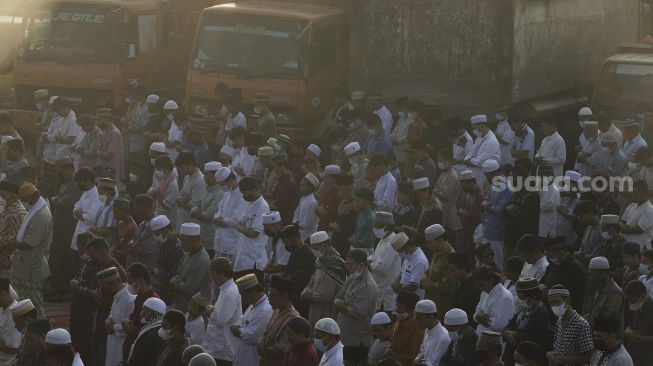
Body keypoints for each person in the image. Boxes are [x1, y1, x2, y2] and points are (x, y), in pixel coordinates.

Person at [12, 183, 52, 317]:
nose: (24, 203)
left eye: (25, 200)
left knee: (34, 305)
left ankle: (42, 332)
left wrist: (13, 244)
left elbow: (30, 244)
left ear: (33, 197)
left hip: (31, 267)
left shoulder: (40, 215)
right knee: (23, 303)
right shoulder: (36, 210)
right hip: (26, 264)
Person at [335, 249, 378, 364]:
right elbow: (337, 297)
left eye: (350, 264)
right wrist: (345, 305)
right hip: (345, 337)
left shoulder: (368, 286)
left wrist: (342, 306)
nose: (347, 267)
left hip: (358, 341)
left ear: (362, 265)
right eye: (346, 264)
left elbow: (358, 313)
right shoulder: (352, 278)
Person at [202, 257, 242, 365]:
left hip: (222, 349)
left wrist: (208, 309)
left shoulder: (229, 293)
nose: (212, 278)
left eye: (213, 274)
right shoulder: (226, 290)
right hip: (218, 347)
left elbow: (220, 319)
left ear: (222, 273)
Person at [502, 278, 550, 366]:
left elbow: (527, 339)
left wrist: (512, 335)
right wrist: (506, 332)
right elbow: (510, 324)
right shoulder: (525, 309)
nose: (521, 301)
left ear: (533, 296)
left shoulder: (541, 315)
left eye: (522, 298)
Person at [301, 231, 346, 326]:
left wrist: (307, 294)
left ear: (324, 246)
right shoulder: (320, 261)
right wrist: (306, 291)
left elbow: (325, 296)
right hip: (315, 307)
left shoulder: (335, 264)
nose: (314, 252)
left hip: (327, 310)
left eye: (315, 248)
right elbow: (312, 280)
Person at [546, 285, 594, 365]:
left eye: (557, 302)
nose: (554, 306)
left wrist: (563, 360)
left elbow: (588, 358)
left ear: (567, 300)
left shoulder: (581, 325)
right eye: (551, 303)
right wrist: (550, 355)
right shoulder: (559, 321)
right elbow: (557, 350)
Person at [231, 274, 273, 366]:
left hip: (252, 360)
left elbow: (252, 337)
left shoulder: (265, 310)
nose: (242, 298)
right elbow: (241, 320)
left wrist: (237, 330)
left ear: (253, 292)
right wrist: (238, 328)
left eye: (243, 295)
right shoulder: (253, 305)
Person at [257, 275, 299, 366]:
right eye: (268, 293)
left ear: (285, 295)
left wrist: (262, 348)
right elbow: (265, 334)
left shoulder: (293, 319)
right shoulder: (276, 310)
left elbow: (282, 350)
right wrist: (263, 343)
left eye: (272, 295)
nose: (268, 297)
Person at [97, 266, 135, 366]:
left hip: (121, 346)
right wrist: (108, 320)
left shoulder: (130, 299)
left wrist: (113, 327)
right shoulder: (117, 295)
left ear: (113, 284)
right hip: (112, 344)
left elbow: (130, 326)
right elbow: (113, 313)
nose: (104, 291)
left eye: (105, 287)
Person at [122, 262, 160, 359]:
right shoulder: (139, 296)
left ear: (141, 281)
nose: (128, 285)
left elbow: (148, 329)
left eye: (130, 282)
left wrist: (133, 328)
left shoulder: (153, 302)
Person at [480, 159, 513, 271]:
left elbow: (500, 209)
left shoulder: (505, 186)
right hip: (489, 228)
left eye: (487, 175)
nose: (486, 178)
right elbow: (486, 199)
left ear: (493, 173)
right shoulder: (495, 183)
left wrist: (487, 207)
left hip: (498, 231)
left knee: (498, 263)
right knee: (487, 263)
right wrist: (486, 206)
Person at [170, 223, 210, 312]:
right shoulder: (188, 253)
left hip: (192, 308)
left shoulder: (201, 260)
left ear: (195, 239)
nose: (181, 243)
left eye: (184, 240)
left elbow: (189, 288)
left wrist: (174, 283)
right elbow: (179, 273)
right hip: (181, 302)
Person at [233, 176, 270, 271]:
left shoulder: (263, 206)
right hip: (244, 251)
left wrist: (242, 228)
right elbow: (240, 221)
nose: (243, 196)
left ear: (253, 190)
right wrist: (243, 228)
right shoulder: (251, 203)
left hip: (254, 257)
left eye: (245, 193)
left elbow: (253, 233)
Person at [541, 236, 587, 311]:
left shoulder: (575, 269)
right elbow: (544, 281)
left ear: (561, 251)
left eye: (549, 256)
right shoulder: (553, 264)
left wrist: (549, 292)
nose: (548, 259)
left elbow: (573, 296)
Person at [279, 225, 316, 316]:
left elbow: (304, 277)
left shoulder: (308, 255)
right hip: (293, 296)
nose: (286, 245)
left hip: (302, 299)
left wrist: (285, 279)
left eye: (286, 242)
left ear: (294, 239)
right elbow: (289, 270)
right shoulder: (294, 251)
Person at [368, 212, 401, 311]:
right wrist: (369, 260)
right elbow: (375, 256)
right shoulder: (383, 240)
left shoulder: (392, 243)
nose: (375, 228)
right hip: (378, 289)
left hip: (386, 294)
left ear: (387, 227)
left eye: (378, 226)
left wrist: (368, 265)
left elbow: (382, 268)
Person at [212, 167, 246, 262]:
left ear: (230, 180)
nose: (222, 187)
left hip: (232, 241)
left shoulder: (242, 195)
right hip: (221, 239)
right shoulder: (227, 194)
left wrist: (221, 221)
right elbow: (219, 211)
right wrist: (217, 218)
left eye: (222, 184)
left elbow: (237, 220)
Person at [421, 224, 456, 315]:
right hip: (431, 304)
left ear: (440, 240)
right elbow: (429, 271)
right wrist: (425, 276)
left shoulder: (451, 258)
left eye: (430, 242)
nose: (428, 246)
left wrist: (427, 284)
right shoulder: (436, 253)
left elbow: (448, 287)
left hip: (441, 308)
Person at [190, 162, 224, 252]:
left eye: (206, 174)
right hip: (203, 234)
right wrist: (195, 210)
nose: (204, 177)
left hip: (212, 236)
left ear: (215, 176)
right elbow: (196, 204)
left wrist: (196, 212)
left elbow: (208, 215)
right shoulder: (207, 189)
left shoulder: (219, 193)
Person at [584, 257, 625, 328]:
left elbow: (608, 323)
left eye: (594, 274)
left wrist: (587, 321)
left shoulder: (615, 292)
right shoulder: (600, 287)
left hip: (607, 336)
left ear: (604, 272)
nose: (592, 278)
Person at [472, 265, 514, 334]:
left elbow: (499, 325)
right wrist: (477, 316)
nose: (480, 288)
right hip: (480, 335)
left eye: (481, 285)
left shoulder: (505, 297)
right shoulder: (484, 292)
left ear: (491, 280)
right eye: (478, 285)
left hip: (493, 341)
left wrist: (479, 318)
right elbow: (477, 312)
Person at [125, 298, 167, 366]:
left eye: (144, 310)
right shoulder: (153, 327)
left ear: (153, 314)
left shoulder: (152, 333)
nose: (141, 313)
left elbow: (140, 359)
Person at [151, 215, 183, 304]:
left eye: (157, 234)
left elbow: (172, 274)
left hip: (168, 291)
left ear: (166, 231)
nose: (156, 237)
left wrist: (157, 272)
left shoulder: (176, 247)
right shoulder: (166, 243)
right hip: (161, 287)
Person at [463, 115, 500, 185]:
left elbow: (481, 161)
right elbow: (471, 152)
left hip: (483, 176)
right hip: (473, 174)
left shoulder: (491, 141)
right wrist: (467, 159)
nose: (473, 131)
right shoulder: (479, 138)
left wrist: (468, 161)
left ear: (482, 126)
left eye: (474, 128)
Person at [71, 167, 101, 253]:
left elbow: (91, 217)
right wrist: (81, 214)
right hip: (79, 232)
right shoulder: (86, 192)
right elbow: (76, 207)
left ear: (89, 181)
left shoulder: (96, 195)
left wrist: (81, 214)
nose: (80, 184)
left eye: (81, 181)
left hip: (88, 236)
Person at [623, 280, 653, 364]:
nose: (630, 304)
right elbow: (630, 325)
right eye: (628, 301)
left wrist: (641, 338)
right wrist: (628, 331)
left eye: (632, 301)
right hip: (631, 355)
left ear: (643, 297)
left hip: (647, 359)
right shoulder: (636, 307)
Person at [391, 232, 428, 299]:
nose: (399, 254)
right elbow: (401, 274)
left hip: (411, 302)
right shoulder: (408, 256)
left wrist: (397, 289)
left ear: (407, 246)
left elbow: (412, 287)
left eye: (399, 251)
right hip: (401, 298)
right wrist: (394, 282)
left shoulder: (420, 261)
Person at [126, 194, 160, 269]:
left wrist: (131, 248)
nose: (134, 212)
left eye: (136, 209)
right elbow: (134, 239)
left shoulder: (155, 225)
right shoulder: (143, 222)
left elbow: (145, 251)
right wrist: (131, 243)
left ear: (146, 208)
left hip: (145, 270)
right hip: (135, 268)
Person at [413, 299, 450, 366]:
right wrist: (417, 359)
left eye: (419, 319)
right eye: (416, 318)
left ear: (431, 317)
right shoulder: (427, 329)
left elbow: (435, 363)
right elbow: (423, 350)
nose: (417, 322)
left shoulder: (443, 337)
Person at [176, 152, 207, 232]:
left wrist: (181, 200)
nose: (181, 171)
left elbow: (194, 206)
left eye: (182, 168)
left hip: (191, 220)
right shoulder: (187, 178)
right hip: (182, 217)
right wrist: (181, 200)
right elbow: (179, 196)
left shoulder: (200, 181)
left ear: (190, 165)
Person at [0, 182, 25, 278]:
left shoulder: (18, 212)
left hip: (7, 260)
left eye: (2, 193)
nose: (1, 195)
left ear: (11, 195)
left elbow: (16, 240)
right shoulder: (8, 209)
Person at [620, 180, 653, 250]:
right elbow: (622, 222)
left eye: (635, 194)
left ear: (644, 193)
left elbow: (638, 230)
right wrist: (620, 226)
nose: (632, 196)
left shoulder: (650, 209)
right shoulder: (631, 206)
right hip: (626, 248)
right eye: (632, 194)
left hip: (640, 251)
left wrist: (619, 227)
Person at [269, 153, 301, 225]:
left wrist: (272, 204)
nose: (274, 170)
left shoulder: (289, 182)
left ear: (282, 165)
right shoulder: (283, 180)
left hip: (285, 220)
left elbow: (281, 204)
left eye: (275, 167)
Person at [149, 155, 179, 228]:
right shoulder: (164, 179)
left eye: (160, 169)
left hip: (168, 219)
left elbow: (167, 205)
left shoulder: (173, 185)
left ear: (167, 168)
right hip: (160, 215)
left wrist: (157, 194)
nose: (158, 172)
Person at [457, 170, 483, 252]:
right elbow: (463, 206)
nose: (462, 187)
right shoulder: (468, 193)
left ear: (470, 182)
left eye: (463, 184)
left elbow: (476, 214)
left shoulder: (479, 196)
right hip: (466, 228)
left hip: (474, 230)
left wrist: (463, 212)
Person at [96, 108, 125, 182]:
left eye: (99, 120)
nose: (97, 122)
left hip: (111, 171)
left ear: (105, 119)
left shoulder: (115, 133)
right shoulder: (104, 130)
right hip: (104, 168)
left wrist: (97, 152)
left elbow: (109, 154)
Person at [261, 211, 290, 280]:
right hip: (271, 278)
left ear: (276, 225)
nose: (264, 229)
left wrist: (264, 270)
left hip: (282, 279)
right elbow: (271, 258)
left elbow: (283, 267)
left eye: (266, 226)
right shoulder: (271, 237)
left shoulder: (285, 240)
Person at [293, 173, 319, 242]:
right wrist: (295, 222)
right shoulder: (302, 198)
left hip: (308, 236)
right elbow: (296, 213)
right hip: (300, 233)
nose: (300, 187)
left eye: (302, 185)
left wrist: (297, 224)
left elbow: (308, 224)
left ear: (310, 187)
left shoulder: (312, 202)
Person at [0, 278, 19, 363]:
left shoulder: (14, 317)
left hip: (6, 361)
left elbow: (14, 349)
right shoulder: (3, 309)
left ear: (2, 294)